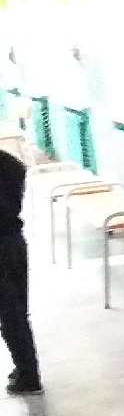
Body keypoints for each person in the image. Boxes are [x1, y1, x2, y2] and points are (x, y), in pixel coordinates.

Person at [0, 145, 43, 395]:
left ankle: (28, 376)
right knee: (16, 313)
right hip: (14, 242)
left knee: (10, 315)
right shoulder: (9, 162)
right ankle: (26, 369)